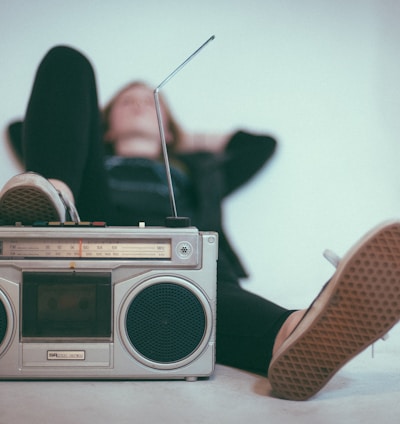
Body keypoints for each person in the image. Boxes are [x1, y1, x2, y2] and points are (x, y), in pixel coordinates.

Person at [1, 45, 400, 401]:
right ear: (103, 123)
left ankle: (296, 332)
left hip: (182, 260)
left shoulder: (198, 169)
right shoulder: (89, 162)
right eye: (127, 102)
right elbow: (23, 129)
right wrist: (80, 152)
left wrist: (180, 139)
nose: (139, 105)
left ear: (170, 126)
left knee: (205, 290)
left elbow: (260, 145)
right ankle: (54, 201)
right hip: (91, 226)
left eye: (150, 103)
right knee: (67, 60)